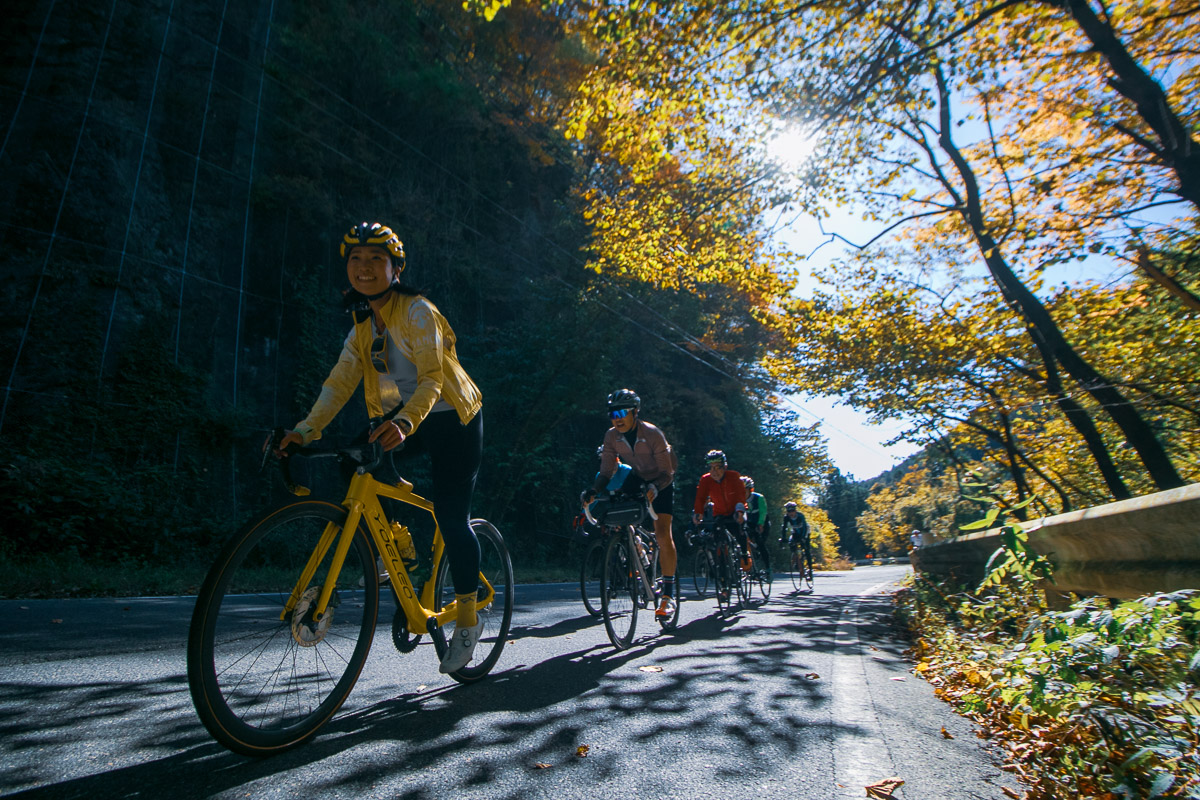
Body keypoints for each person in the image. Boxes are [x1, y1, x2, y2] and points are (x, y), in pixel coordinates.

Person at [273, 222, 485, 674]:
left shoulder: (418, 312)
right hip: (401, 420)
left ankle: (468, 617)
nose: (364, 268)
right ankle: (400, 545)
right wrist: (304, 431)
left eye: (375, 260)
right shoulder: (362, 329)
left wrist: (405, 421)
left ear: (396, 268)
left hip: (452, 418)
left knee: (451, 515)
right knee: (353, 465)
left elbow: (431, 378)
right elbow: (338, 385)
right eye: (355, 260)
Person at [582, 389, 679, 619]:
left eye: (623, 412)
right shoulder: (611, 436)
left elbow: (668, 472)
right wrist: (594, 491)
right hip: (637, 477)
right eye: (613, 413)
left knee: (663, 533)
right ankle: (632, 548)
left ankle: (667, 595)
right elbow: (606, 472)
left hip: (661, 480)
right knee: (616, 509)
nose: (617, 417)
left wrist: (655, 487)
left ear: (635, 412)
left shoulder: (653, 433)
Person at [692, 450, 747, 600]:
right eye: (711, 468)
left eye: (717, 467)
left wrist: (740, 511)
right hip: (720, 513)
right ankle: (724, 585)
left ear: (724, 466)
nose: (714, 471)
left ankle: (744, 553)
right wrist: (698, 513)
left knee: (740, 530)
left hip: (735, 510)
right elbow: (701, 498)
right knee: (720, 549)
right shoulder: (706, 480)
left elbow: (741, 495)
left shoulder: (734, 476)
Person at [780, 501, 814, 589]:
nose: (791, 513)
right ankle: (796, 559)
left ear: (795, 510)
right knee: (791, 544)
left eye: (792, 511)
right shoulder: (786, 517)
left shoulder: (800, 516)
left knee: (806, 550)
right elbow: (784, 527)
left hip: (805, 532)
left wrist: (803, 538)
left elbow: (804, 529)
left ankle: (810, 569)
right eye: (789, 511)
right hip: (795, 533)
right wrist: (783, 538)